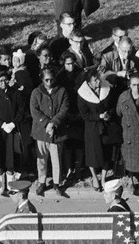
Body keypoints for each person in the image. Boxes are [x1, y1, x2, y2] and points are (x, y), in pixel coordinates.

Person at [0, 65, 30, 196]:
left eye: (5, 80)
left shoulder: (16, 93)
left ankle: (11, 185)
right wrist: (2, 124)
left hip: (12, 130)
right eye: (0, 81)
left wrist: (14, 123)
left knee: (11, 159)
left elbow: (21, 111)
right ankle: (1, 185)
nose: (3, 83)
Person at [78, 68, 120, 192]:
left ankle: (103, 178)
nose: (97, 82)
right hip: (92, 128)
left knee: (107, 152)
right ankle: (94, 177)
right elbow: (84, 114)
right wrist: (98, 116)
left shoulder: (107, 88)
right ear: (89, 82)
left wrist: (108, 114)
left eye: (98, 79)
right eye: (94, 80)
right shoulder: (82, 94)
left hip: (107, 125)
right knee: (93, 153)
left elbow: (113, 105)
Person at [30, 66, 69, 197]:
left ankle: (56, 183)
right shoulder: (36, 92)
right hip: (41, 131)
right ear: (42, 79)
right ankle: (41, 181)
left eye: (51, 80)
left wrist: (54, 123)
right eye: (46, 80)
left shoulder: (62, 91)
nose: (49, 82)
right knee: (41, 159)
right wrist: (46, 123)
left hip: (57, 132)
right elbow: (34, 111)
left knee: (56, 158)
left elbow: (64, 109)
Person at [56, 51, 84, 183]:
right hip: (66, 112)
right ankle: (68, 169)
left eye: (72, 63)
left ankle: (78, 169)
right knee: (67, 144)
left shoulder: (80, 74)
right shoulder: (60, 76)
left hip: (79, 111)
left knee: (79, 143)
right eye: (68, 64)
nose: (71, 66)